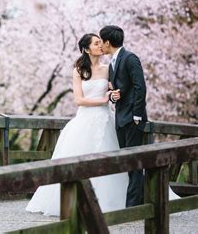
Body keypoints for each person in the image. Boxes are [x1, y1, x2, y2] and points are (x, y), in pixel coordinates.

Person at [26, 33, 129, 215]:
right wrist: (103, 100)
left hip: (106, 119)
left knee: (109, 157)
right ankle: (74, 201)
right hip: (85, 120)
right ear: (86, 49)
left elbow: (115, 89)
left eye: (100, 43)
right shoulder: (79, 70)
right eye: (96, 43)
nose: (101, 46)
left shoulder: (108, 68)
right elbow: (79, 100)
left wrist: (113, 95)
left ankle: (111, 200)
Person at [99, 25, 146, 207]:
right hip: (120, 118)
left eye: (101, 41)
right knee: (127, 163)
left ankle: (133, 206)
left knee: (134, 163)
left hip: (133, 120)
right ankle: (136, 201)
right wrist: (113, 95)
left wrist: (137, 116)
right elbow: (115, 90)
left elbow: (140, 87)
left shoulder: (130, 58)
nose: (101, 45)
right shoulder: (113, 62)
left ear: (107, 42)